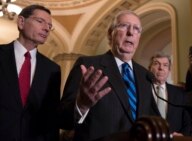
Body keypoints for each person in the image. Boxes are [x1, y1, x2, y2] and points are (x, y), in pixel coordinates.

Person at [59, 10, 159, 141]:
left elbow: (152, 116)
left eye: (136, 29)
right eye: (124, 26)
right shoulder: (88, 65)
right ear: (110, 34)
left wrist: (170, 132)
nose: (131, 32)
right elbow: (63, 118)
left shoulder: (145, 74)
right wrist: (81, 105)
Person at [0, 4, 61, 141]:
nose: (46, 28)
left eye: (49, 26)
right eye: (40, 21)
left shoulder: (53, 69)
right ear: (21, 22)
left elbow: (51, 116)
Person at [148, 53, 191, 136]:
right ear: (149, 68)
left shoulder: (180, 93)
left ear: (169, 70)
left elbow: (187, 121)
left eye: (165, 65)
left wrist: (182, 135)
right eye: (156, 64)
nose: (161, 68)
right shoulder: (142, 91)